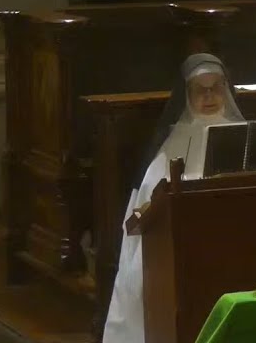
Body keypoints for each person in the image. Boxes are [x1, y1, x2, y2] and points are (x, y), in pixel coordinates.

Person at [103, 54, 246, 343]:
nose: (209, 96)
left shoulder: (241, 134)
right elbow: (148, 202)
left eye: (216, 87)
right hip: (173, 242)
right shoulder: (172, 142)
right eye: (200, 90)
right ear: (186, 96)